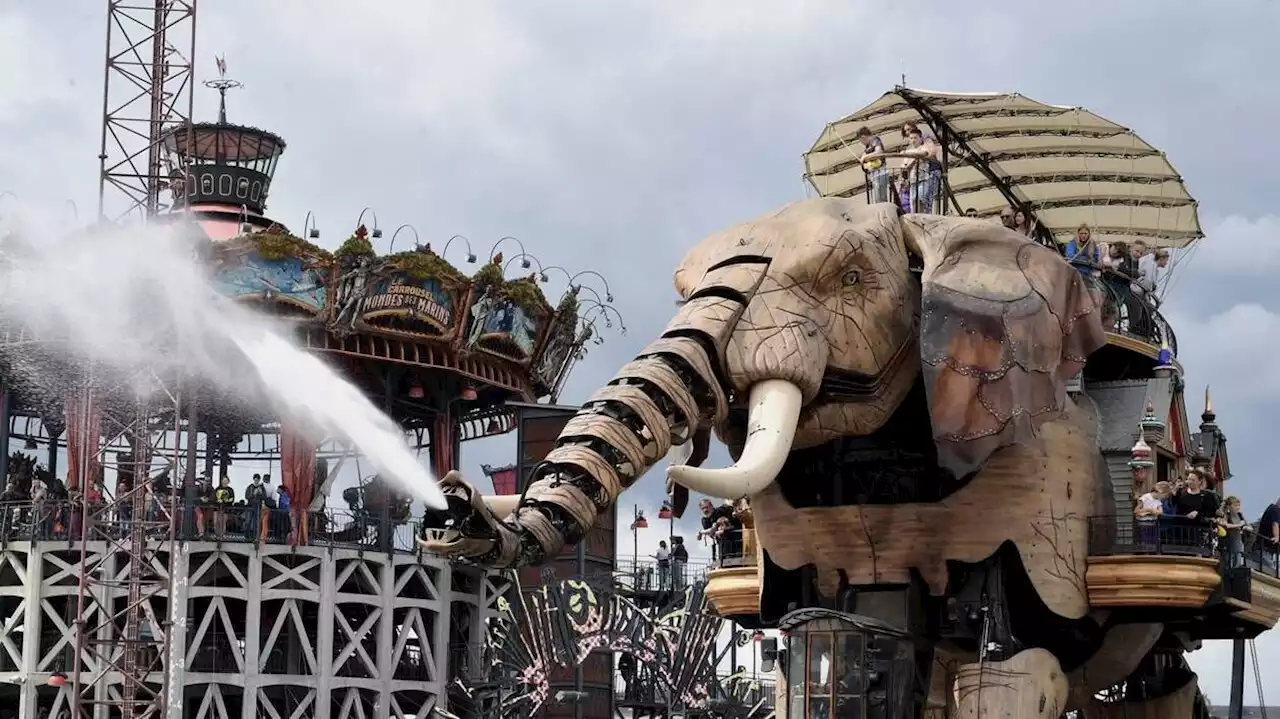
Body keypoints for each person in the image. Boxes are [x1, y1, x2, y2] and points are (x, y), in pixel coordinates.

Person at [901, 122, 942, 213]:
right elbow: (904, 164)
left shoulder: (925, 142)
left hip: (926, 175)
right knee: (913, 201)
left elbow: (930, 152)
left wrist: (912, 157)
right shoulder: (909, 149)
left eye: (909, 129)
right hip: (913, 178)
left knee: (924, 199)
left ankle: (927, 217)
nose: (908, 132)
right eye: (906, 131)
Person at [856, 126, 892, 204]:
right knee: (877, 198)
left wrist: (865, 157)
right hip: (874, 174)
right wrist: (863, 158)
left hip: (880, 173)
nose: (861, 143)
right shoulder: (868, 146)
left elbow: (879, 152)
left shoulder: (875, 140)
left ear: (863, 137)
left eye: (861, 141)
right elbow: (864, 155)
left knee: (880, 198)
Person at [1218, 496, 1248, 568]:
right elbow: (1226, 525)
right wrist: (1239, 525)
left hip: (1237, 541)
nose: (1238, 507)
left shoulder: (1240, 515)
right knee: (1228, 561)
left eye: (1238, 506)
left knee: (1237, 560)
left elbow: (1248, 526)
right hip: (1228, 541)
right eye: (1235, 505)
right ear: (1229, 506)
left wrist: (1245, 527)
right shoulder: (1226, 515)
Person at [1258, 496, 1280, 572]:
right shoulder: (1275, 509)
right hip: (1264, 548)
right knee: (1272, 571)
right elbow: (1275, 524)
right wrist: (1276, 537)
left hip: (1270, 550)